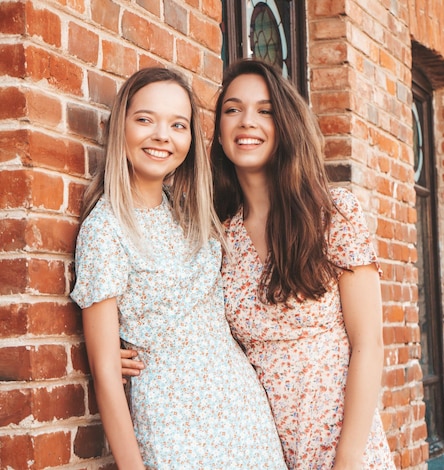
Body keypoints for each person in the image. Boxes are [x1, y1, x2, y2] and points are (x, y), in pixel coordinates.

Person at [123, 59, 396, 469]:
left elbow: (369, 345)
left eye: (264, 110)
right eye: (232, 110)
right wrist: (116, 345)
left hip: (340, 443)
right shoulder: (217, 233)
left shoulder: (332, 214)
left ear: (285, 123)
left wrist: (348, 459)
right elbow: (175, 307)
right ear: (219, 131)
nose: (247, 121)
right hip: (255, 443)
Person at [71, 67, 287, 469]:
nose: (162, 136)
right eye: (145, 120)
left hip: (245, 415)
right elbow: (105, 374)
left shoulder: (190, 212)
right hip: (174, 426)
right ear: (121, 126)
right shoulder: (105, 230)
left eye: (178, 125)